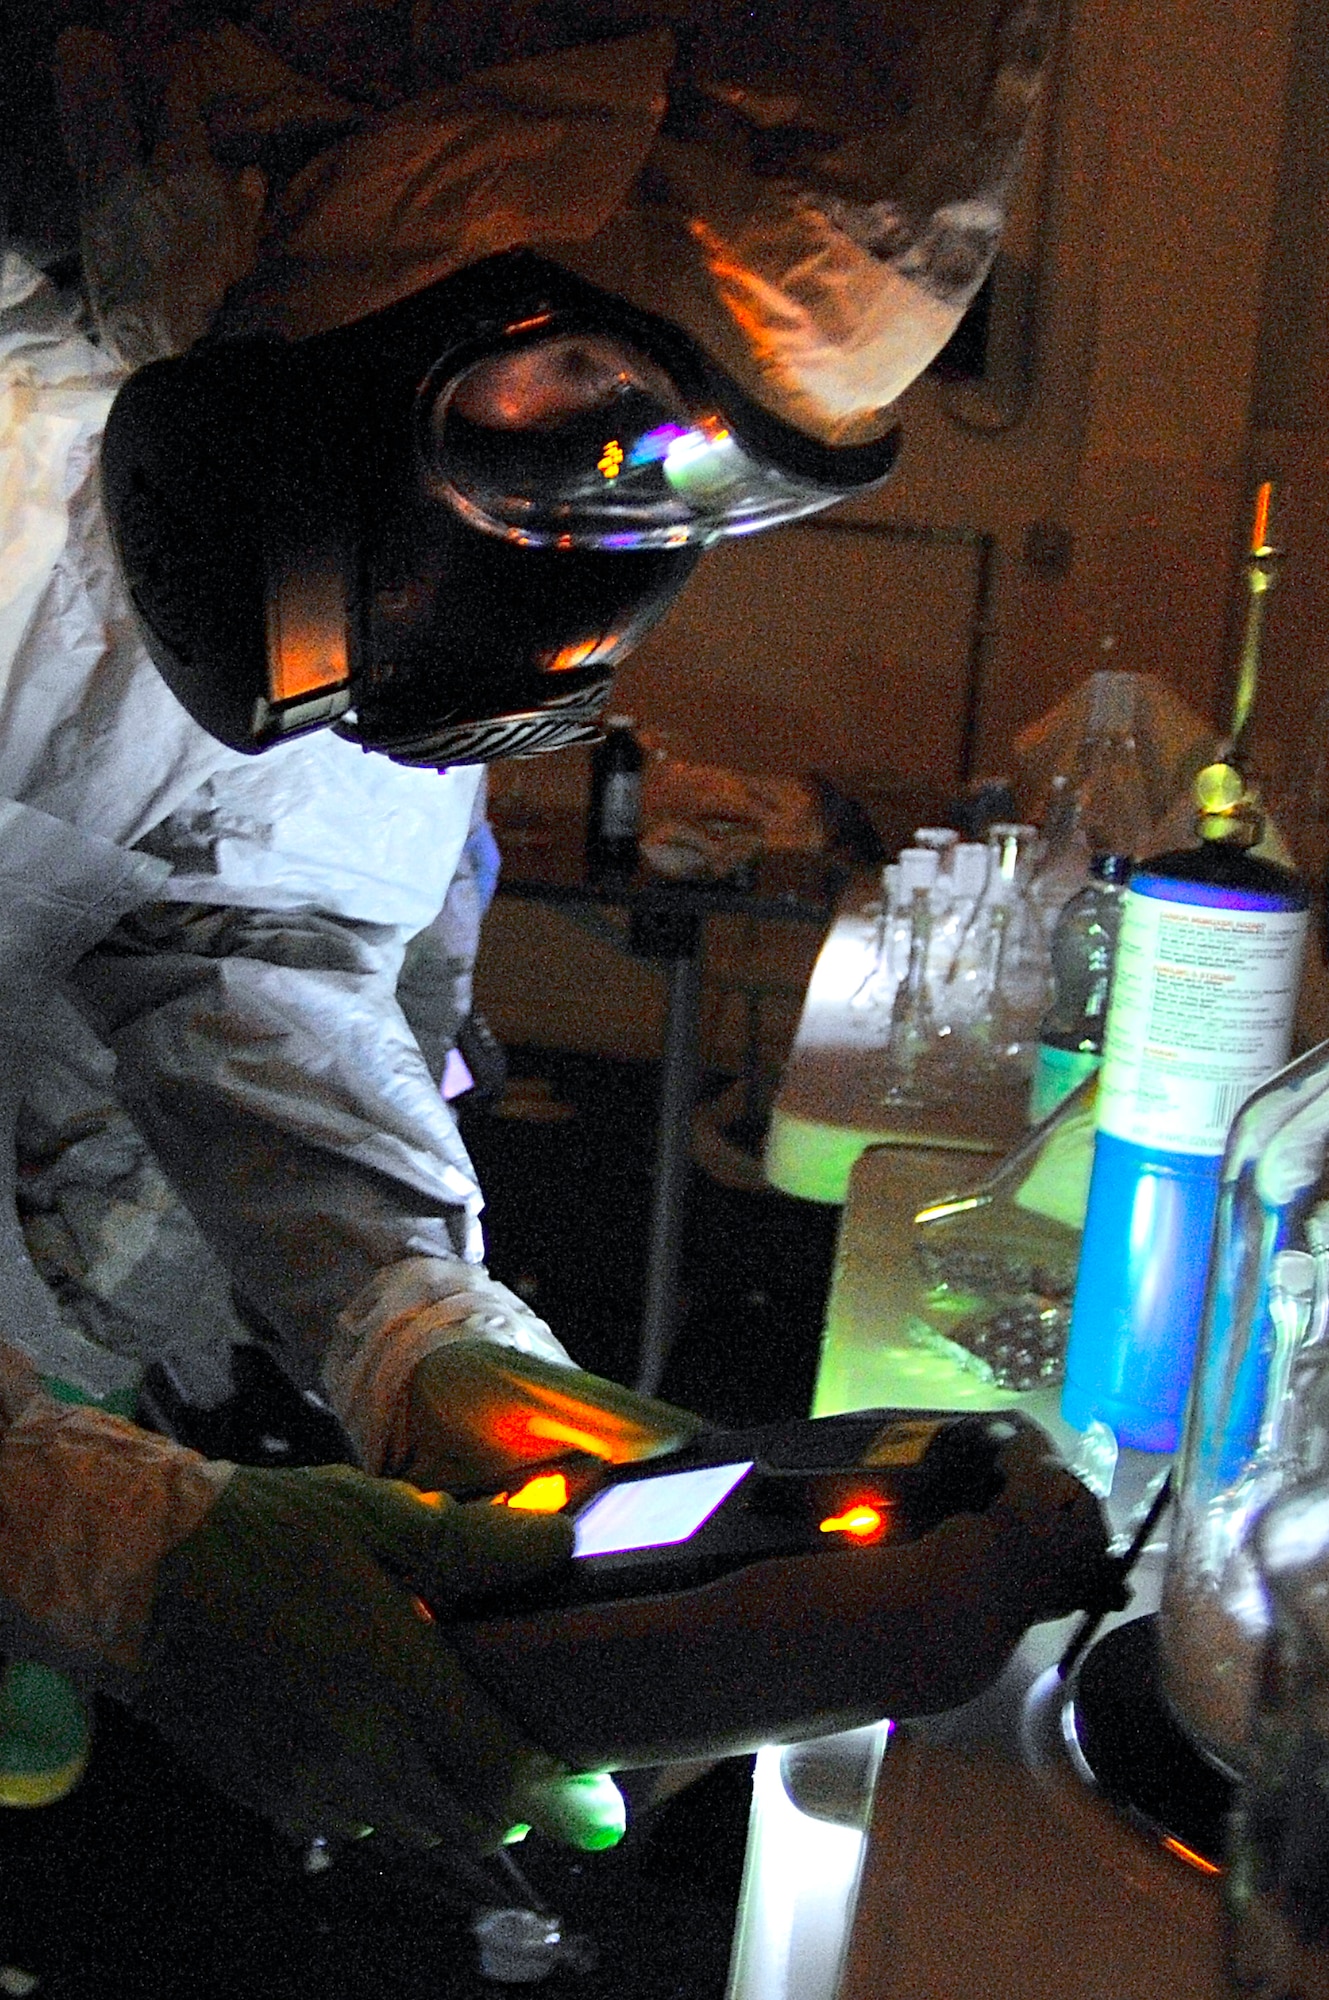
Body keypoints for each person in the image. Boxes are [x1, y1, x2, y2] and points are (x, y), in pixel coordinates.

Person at [0, 0, 1053, 1859]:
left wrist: (407, 1318)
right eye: (591, 422)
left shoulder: (239, 340)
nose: (594, 573)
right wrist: (77, 1534)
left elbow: (247, 924)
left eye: (702, 497)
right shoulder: (274, 329)